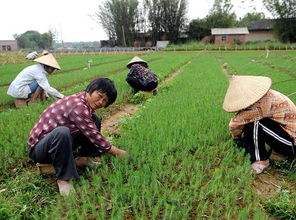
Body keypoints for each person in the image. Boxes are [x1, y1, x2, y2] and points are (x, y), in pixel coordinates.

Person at [27, 78, 126, 195]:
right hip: (39, 150)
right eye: (99, 96)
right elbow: (94, 136)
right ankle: (64, 179)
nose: (100, 102)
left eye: (105, 101)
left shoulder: (83, 101)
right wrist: (119, 153)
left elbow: (90, 130)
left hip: (57, 143)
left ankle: (84, 158)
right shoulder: (77, 105)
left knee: (94, 120)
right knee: (62, 132)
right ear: (91, 89)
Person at [223, 75, 296, 174]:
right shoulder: (269, 95)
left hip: (291, 145)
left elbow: (235, 124)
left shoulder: (260, 105)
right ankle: (278, 154)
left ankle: (261, 161)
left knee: (257, 123)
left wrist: (236, 138)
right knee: (252, 123)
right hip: (286, 138)